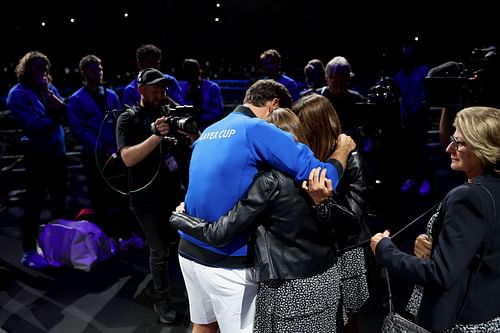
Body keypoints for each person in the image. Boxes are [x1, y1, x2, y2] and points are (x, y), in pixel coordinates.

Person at [175, 79, 355, 333]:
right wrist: (343, 151)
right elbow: (321, 177)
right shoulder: (255, 128)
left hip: (189, 252)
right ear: (274, 105)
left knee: (203, 325)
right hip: (226, 260)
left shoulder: (211, 130)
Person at [370, 106, 500, 332]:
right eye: (452, 140)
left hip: (460, 321)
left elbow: (440, 274)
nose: (449, 148)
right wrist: (437, 243)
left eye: (459, 143)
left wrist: (385, 250)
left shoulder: (467, 197)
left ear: (482, 148)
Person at [115, 68, 192, 324]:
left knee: (186, 247)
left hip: (174, 192)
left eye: (163, 90)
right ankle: (162, 301)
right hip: (146, 198)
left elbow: (190, 143)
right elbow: (127, 158)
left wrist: (188, 131)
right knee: (158, 251)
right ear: (141, 90)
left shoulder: (170, 112)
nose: (161, 95)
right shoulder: (128, 118)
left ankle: (192, 297)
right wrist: (157, 136)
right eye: (155, 91)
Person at [294, 94, 372, 332]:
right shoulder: (301, 158)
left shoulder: (352, 158)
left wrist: (323, 200)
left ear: (314, 128)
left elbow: (354, 215)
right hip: (316, 250)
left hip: (346, 250)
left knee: (347, 320)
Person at [67, 54, 143, 251]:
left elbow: (119, 122)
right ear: (83, 73)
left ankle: (126, 234)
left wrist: (118, 146)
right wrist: (101, 149)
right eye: (93, 70)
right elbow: (79, 130)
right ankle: (107, 238)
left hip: (115, 152)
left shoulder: (110, 94)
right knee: (99, 198)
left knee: (122, 195)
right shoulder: (76, 100)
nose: (98, 73)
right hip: (94, 155)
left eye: (100, 69)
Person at [7, 51, 67, 270]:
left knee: (59, 201)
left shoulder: (49, 91)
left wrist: (55, 104)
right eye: (38, 69)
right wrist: (56, 112)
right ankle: (28, 250)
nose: (43, 73)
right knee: (34, 203)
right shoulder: (18, 94)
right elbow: (35, 126)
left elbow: (66, 113)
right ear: (27, 70)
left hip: (58, 153)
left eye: (45, 69)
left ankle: (57, 245)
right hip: (37, 156)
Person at [394, 41, 432, 196]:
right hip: (406, 117)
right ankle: (411, 177)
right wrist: (403, 111)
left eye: (410, 54)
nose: (407, 57)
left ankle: (425, 179)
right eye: (405, 54)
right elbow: (400, 96)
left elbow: (424, 94)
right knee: (407, 149)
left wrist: (414, 110)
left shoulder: (423, 71)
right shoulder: (399, 75)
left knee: (420, 149)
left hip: (419, 115)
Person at [319, 56, 367, 143]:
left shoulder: (358, 100)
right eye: (335, 83)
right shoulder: (317, 101)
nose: (339, 88)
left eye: (343, 82)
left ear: (349, 80)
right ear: (326, 79)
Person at [179, 58, 224, 131]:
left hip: (209, 129)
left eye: (193, 72)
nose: (192, 75)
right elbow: (182, 110)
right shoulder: (183, 89)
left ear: (199, 72)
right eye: (189, 73)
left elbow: (218, 112)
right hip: (188, 129)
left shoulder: (213, 87)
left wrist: (198, 119)